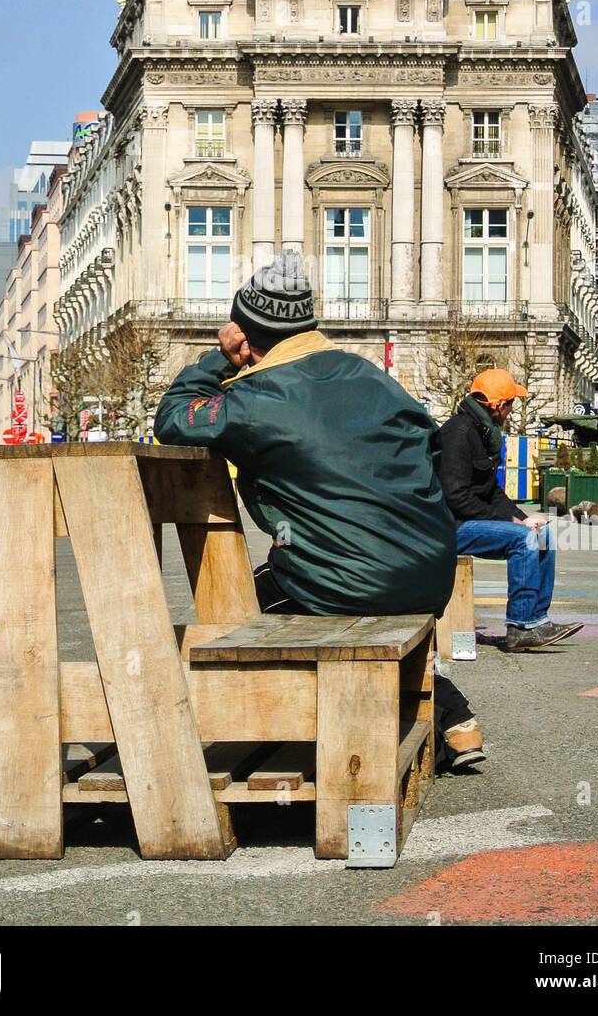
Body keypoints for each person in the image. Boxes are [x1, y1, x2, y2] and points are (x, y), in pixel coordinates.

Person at [155, 251, 485, 771]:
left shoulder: (254, 398)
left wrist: (218, 360)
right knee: (322, 591)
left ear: (245, 337)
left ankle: (225, 729)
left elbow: (173, 418)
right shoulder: (375, 378)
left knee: (244, 609)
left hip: (350, 582)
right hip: (430, 575)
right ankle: (452, 716)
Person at [437, 370, 584, 652]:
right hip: (450, 527)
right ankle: (521, 626)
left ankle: (537, 620)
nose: (511, 412)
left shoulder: (480, 433)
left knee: (541, 533)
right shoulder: (459, 433)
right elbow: (455, 497)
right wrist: (512, 523)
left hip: (468, 521)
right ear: (498, 406)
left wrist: (524, 518)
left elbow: (491, 491)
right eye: (510, 405)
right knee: (524, 539)